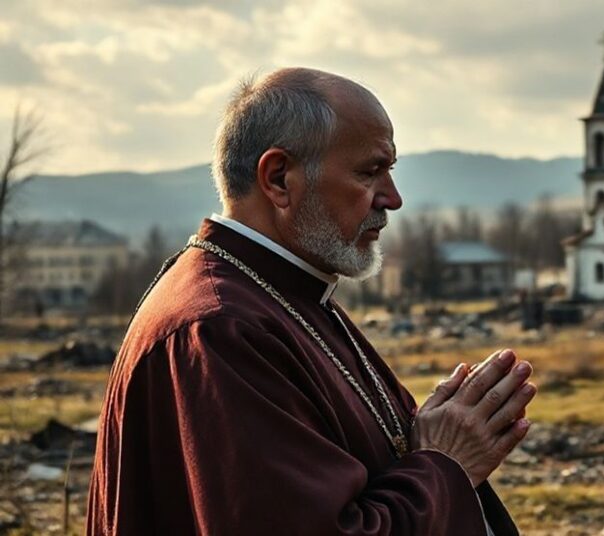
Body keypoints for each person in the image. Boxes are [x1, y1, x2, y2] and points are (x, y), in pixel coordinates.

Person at [86, 67, 535, 535]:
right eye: (370, 172)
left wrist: (433, 446)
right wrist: (445, 464)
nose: (393, 198)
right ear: (279, 178)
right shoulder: (221, 329)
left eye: (391, 170)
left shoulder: (284, 295)